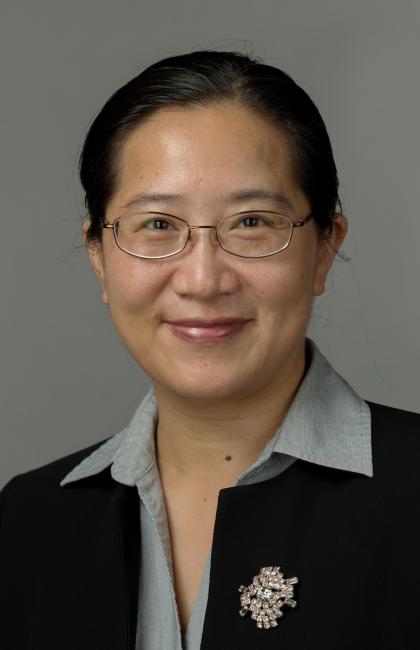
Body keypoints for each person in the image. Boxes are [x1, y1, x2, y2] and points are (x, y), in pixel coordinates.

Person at [0, 50, 418, 650]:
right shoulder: (28, 520)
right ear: (98, 255)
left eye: (252, 222)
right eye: (157, 225)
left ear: (325, 248)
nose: (202, 279)